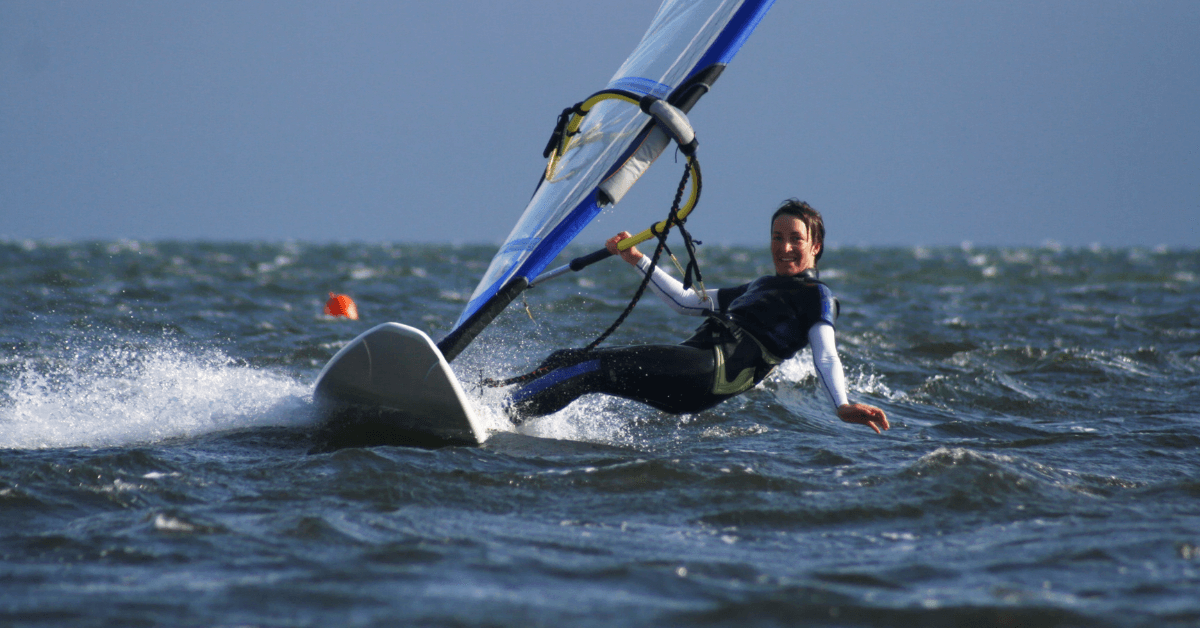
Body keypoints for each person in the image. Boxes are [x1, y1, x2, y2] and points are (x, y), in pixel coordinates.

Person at [504, 199, 889, 434]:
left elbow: (826, 355)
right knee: (569, 361)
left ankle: (501, 418)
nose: (784, 247)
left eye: (796, 239)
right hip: (692, 366)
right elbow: (688, 302)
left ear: (815, 246)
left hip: (708, 371)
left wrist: (841, 403)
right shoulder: (759, 287)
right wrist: (637, 258)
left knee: (589, 369)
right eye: (777, 237)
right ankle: (498, 404)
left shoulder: (816, 295)